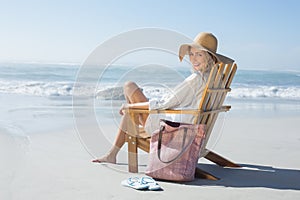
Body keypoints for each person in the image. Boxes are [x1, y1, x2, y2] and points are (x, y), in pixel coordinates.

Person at [92, 32, 233, 164]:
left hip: (174, 132)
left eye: (199, 55)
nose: (193, 59)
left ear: (209, 57)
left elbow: (164, 104)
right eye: (191, 54)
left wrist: (129, 107)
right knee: (132, 101)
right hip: (188, 129)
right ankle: (115, 149)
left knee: (129, 87)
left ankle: (113, 153)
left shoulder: (196, 79)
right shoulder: (215, 79)